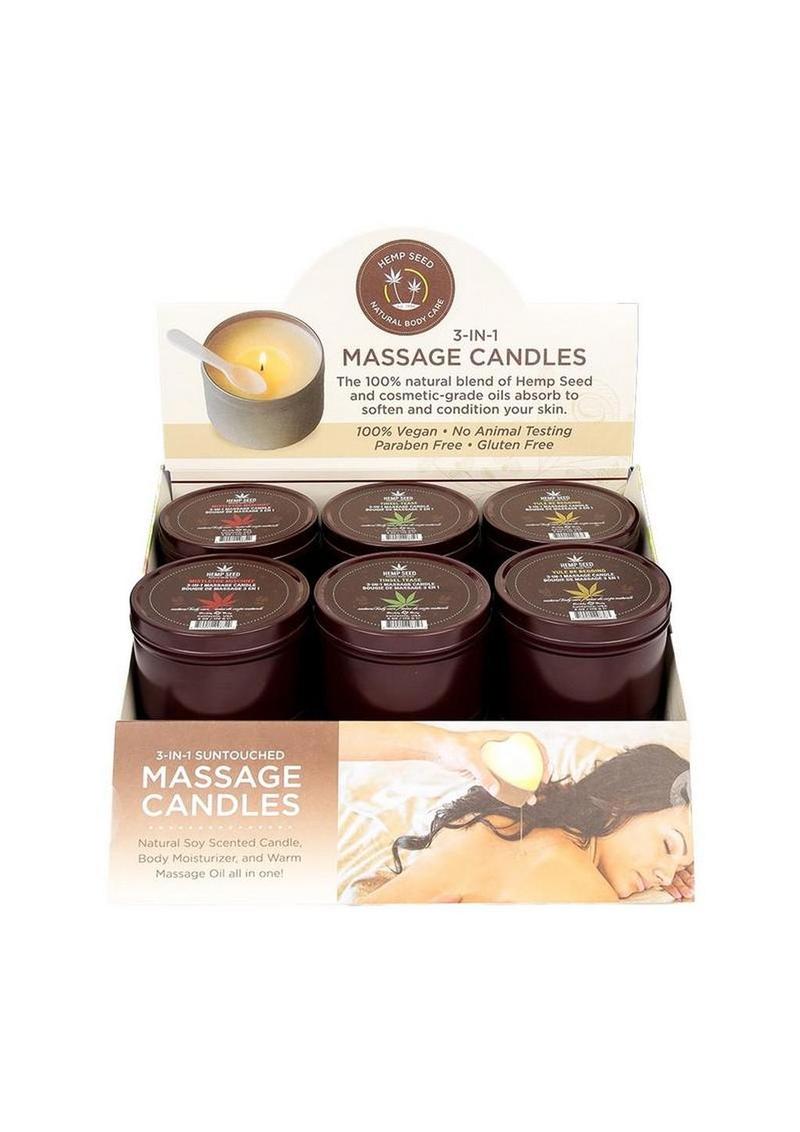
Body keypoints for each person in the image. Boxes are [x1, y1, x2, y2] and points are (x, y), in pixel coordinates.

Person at [339, 723, 693, 904]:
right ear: (623, 799)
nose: (665, 875)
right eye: (668, 846)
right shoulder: (585, 893)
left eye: (679, 866)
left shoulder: (497, 819)